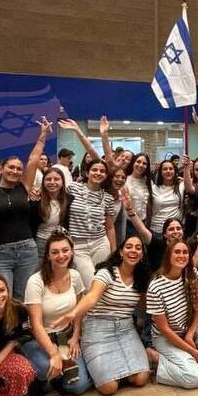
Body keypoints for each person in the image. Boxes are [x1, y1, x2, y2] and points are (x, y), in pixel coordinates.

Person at [57, 236, 152, 396]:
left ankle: (121, 366)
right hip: (98, 329)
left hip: (126, 330)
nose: (133, 251)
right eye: (129, 247)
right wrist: (74, 312)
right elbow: (91, 297)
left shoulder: (141, 278)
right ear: (121, 252)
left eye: (138, 248)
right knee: (109, 388)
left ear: (142, 255)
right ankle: (92, 364)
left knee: (141, 379)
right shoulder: (106, 272)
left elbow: (145, 307)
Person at [0, 118, 49, 300]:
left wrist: (42, 137)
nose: (16, 171)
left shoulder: (23, 187)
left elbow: (34, 160)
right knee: (2, 297)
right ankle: (5, 329)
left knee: (25, 296)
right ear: (1, 169)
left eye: (19, 169)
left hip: (27, 249)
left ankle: (22, 328)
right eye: (11, 167)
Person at [147, 240, 198, 389]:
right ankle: (156, 359)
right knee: (193, 379)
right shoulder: (156, 286)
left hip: (185, 331)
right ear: (168, 256)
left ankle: (191, 359)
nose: (182, 256)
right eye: (177, 252)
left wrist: (190, 335)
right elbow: (164, 329)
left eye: (185, 252)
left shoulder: (192, 274)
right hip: (165, 338)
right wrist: (190, 349)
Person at [22, 231, 92, 394]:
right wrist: (54, 354)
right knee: (46, 367)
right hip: (42, 338)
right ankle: (44, 376)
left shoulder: (75, 276)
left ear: (72, 252)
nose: (61, 255)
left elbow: (79, 311)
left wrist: (75, 336)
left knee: (78, 386)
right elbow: (36, 325)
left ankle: (59, 377)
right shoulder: (35, 281)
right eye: (55, 252)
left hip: (66, 338)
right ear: (47, 256)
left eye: (65, 250)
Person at [58, 118, 118, 286]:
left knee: (103, 282)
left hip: (100, 243)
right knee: (90, 281)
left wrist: (113, 250)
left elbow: (110, 227)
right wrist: (78, 130)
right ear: (87, 171)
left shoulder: (107, 197)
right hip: (78, 245)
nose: (98, 173)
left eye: (102, 171)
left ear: (106, 176)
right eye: (94, 170)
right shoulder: (73, 189)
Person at [34, 167, 71, 258]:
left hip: (61, 241)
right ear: (43, 182)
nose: (52, 182)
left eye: (56, 179)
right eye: (48, 179)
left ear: (62, 182)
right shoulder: (36, 200)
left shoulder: (70, 199)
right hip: (41, 242)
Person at [148, 159, 184, 236]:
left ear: (175, 171)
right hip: (157, 230)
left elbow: (191, 185)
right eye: (165, 169)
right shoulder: (153, 188)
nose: (168, 171)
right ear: (160, 172)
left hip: (175, 230)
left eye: (171, 169)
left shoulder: (181, 185)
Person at [124, 153, 152, 237]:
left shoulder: (147, 182)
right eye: (138, 162)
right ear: (133, 163)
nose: (141, 165)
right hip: (128, 224)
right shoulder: (125, 180)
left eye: (144, 163)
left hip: (143, 223)